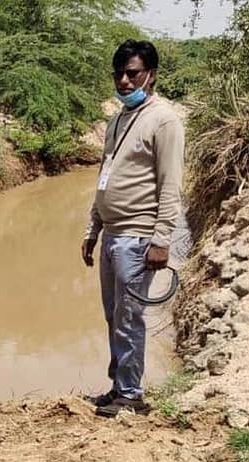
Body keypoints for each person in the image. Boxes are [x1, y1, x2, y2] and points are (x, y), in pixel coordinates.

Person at [81, 40, 184, 417]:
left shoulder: (165, 120)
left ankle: (131, 395)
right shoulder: (118, 119)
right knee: (114, 315)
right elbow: (104, 176)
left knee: (129, 317)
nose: (124, 81)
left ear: (151, 75)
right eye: (119, 74)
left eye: (133, 73)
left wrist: (161, 241)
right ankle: (119, 386)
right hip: (111, 233)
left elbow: (171, 185)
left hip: (138, 236)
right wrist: (93, 229)